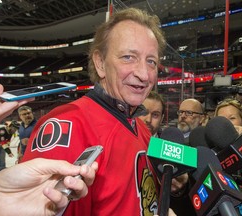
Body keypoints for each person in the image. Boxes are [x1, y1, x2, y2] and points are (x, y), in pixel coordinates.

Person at [22, 7, 167, 215]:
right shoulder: (68, 125)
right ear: (100, 63)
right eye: (128, 57)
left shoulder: (140, 127)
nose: (144, 74)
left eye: (151, 61)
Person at [0, 85, 99, 216]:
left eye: (28, 113)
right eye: (23, 114)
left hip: (37, 170)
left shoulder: (39, 124)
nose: (26, 116)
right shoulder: (22, 127)